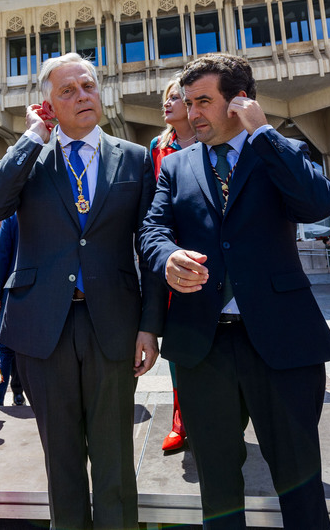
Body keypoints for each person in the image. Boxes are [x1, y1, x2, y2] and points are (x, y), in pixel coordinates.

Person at [139, 54, 330, 530]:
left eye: (203, 101)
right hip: (201, 344)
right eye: (188, 103)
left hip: (282, 340)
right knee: (218, 484)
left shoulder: (276, 151)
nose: (193, 114)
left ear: (240, 100)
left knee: (300, 480)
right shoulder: (176, 166)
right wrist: (167, 257)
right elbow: (152, 230)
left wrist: (264, 133)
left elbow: (318, 203)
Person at [0, 52, 164, 530]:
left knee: (114, 454)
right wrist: (32, 137)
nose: (83, 96)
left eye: (88, 87)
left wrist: (150, 326)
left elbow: (149, 243)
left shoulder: (135, 159)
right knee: (60, 456)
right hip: (42, 325)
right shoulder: (30, 157)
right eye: (68, 91)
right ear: (47, 105)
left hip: (113, 323)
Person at [147, 76, 197, 452]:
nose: (168, 103)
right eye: (167, 98)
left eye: (176, 97)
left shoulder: (212, 137)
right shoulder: (157, 147)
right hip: (171, 257)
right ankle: (182, 419)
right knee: (178, 341)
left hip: (210, 252)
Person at [0, 213, 25, 406]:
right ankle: (22, 394)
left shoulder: (14, 217)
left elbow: (2, 256)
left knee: (6, 346)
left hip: (15, 289)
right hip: (48, 293)